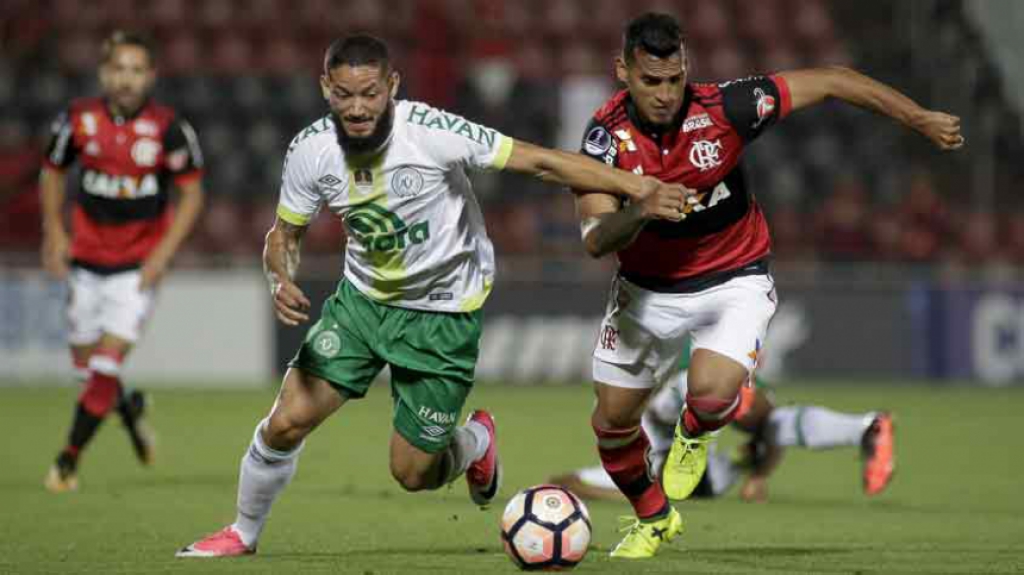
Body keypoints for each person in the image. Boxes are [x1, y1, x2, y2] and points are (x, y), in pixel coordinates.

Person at [177, 34, 687, 558]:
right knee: (286, 420)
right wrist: (280, 277)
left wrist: (634, 186)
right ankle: (243, 531)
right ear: (325, 88)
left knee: (413, 472)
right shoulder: (311, 151)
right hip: (363, 305)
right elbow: (284, 236)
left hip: (443, 316)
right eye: (344, 94)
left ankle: (475, 443)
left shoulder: (433, 132)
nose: (357, 107)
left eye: (370, 93)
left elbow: (542, 162)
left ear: (392, 87)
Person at [574, 12, 963, 559]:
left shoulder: (727, 107)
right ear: (623, 72)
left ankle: (694, 430)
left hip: (734, 277)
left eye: (674, 79)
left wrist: (917, 117)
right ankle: (653, 518)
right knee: (612, 424)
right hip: (645, 293)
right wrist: (639, 208)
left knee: (712, 393)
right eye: (650, 81)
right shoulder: (602, 138)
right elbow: (594, 237)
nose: (664, 94)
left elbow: (832, 79)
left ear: (687, 70)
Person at [41, 31, 205, 493]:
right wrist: (54, 233)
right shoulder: (77, 121)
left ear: (151, 76)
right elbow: (51, 173)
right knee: (85, 371)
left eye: (136, 70)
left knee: (105, 367)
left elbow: (192, 194)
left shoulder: (170, 129)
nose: (127, 79)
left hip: (136, 269)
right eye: (119, 69)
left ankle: (67, 461)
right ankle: (130, 413)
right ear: (104, 73)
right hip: (85, 264)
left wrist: (162, 254)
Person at [550, 339, 896, 503]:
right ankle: (865, 428)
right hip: (699, 466)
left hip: (673, 448)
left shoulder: (666, 400)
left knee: (566, 482)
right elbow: (770, 427)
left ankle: (866, 428)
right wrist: (758, 475)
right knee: (769, 422)